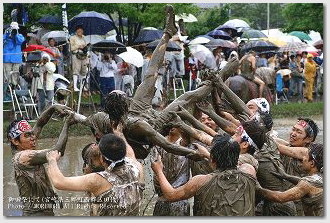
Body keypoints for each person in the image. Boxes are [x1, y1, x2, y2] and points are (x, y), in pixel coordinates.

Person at [46, 125, 145, 216]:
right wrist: (119, 134)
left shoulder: (98, 180)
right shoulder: (137, 167)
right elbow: (130, 153)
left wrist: (52, 160)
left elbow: (59, 182)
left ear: (102, 159)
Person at [151, 134, 256, 216]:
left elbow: (171, 195)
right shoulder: (249, 171)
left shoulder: (200, 181)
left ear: (213, 159)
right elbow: (234, 167)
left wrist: (159, 171)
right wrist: (209, 155)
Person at [6, 104, 73, 216]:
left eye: (32, 134)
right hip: (35, 214)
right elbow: (57, 151)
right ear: (15, 141)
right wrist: (67, 124)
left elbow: (40, 123)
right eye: (27, 135)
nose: (33, 138)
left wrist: (53, 108)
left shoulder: (26, 144)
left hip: (43, 210)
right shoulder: (23, 157)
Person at [257, 143, 323, 216]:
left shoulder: (307, 184)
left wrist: (257, 188)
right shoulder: (321, 177)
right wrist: (286, 176)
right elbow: (305, 182)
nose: (303, 159)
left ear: (312, 163)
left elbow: (280, 198)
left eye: (306, 157)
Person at [153, 126, 190, 216]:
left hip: (180, 199)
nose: (171, 125)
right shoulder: (158, 143)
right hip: (161, 198)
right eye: (170, 122)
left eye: (175, 123)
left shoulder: (184, 143)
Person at [3, 22, 25, 88]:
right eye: (12, 29)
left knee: (15, 73)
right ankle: (6, 88)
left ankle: (14, 87)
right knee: (7, 74)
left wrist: (16, 34)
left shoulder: (19, 35)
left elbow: (20, 41)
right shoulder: (5, 35)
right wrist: (7, 34)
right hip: (7, 58)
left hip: (16, 58)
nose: (13, 30)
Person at [69, 25, 88, 92]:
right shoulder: (72, 38)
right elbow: (70, 48)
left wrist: (85, 47)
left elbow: (86, 47)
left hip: (83, 55)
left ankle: (82, 86)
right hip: (76, 55)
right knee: (76, 71)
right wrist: (78, 46)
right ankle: (75, 86)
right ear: (76, 31)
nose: (80, 31)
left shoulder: (84, 38)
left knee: (84, 71)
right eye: (78, 30)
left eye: (81, 30)